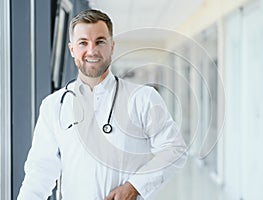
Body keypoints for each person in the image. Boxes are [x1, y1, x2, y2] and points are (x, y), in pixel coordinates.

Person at [18, 9, 187, 200]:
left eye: (100, 41)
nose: (92, 51)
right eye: (83, 43)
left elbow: (173, 149)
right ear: (72, 49)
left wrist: (135, 187)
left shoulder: (142, 98)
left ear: (112, 47)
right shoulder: (54, 105)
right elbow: (40, 171)